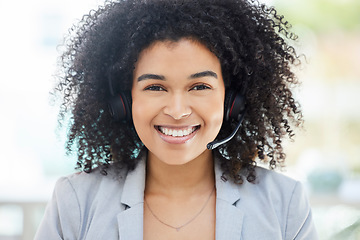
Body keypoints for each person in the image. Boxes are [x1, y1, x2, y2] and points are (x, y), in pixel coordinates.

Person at [35, 0, 318, 239]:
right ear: (124, 100)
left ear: (231, 101)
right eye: (155, 87)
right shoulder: (75, 201)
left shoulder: (285, 204)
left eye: (200, 87)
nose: (178, 110)